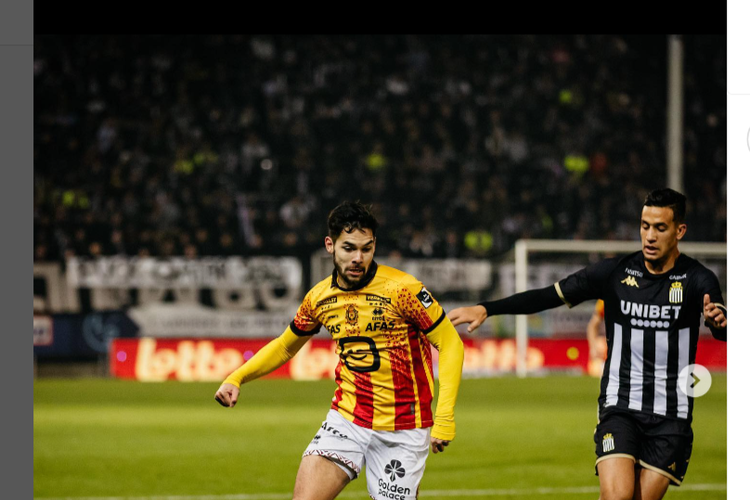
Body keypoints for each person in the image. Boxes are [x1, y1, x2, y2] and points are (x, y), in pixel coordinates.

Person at [448, 188, 726, 500]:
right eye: (645, 225)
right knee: (617, 497)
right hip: (620, 406)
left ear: (679, 231)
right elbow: (547, 295)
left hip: (670, 414)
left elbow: (722, 325)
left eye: (660, 227)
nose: (649, 235)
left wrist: (720, 323)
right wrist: (488, 308)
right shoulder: (614, 272)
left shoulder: (698, 278)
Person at [215, 201, 464, 500]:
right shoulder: (319, 297)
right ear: (330, 245)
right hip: (347, 419)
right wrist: (236, 377)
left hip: (404, 428)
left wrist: (445, 415)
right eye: (349, 248)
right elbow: (284, 347)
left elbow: (450, 342)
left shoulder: (403, 289)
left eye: (367, 248)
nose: (359, 258)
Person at [587, 299, 607, 377]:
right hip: (613, 344)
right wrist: (593, 347)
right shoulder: (604, 300)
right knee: (599, 344)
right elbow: (593, 325)